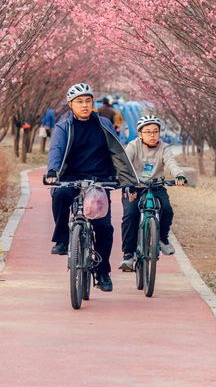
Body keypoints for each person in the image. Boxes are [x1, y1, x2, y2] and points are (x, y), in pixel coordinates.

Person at [45, 82, 138, 292]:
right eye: (79, 102)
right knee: (59, 195)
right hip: (70, 178)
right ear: (71, 104)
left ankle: (103, 271)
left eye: (88, 101)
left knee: (104, 227)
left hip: (99, 181)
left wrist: (126, 181)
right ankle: (62, 238)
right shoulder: (64, 126)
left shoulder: (103, 123)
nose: (84, 105)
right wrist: (53, 172)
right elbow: (56, 149)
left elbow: (118, 152)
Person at [119, 114, 186, 271]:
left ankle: (162, 238)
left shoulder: (164, 147)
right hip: (134, 186)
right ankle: (128, 256)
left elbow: (171, 163)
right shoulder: (133, 146)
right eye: (148, 132)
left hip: (156, 186)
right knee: (130, 215)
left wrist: (179, 175)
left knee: (167, 210)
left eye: (155, 131)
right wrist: (127, 182)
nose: (152, 135)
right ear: (140, 134)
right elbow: (124, 165)